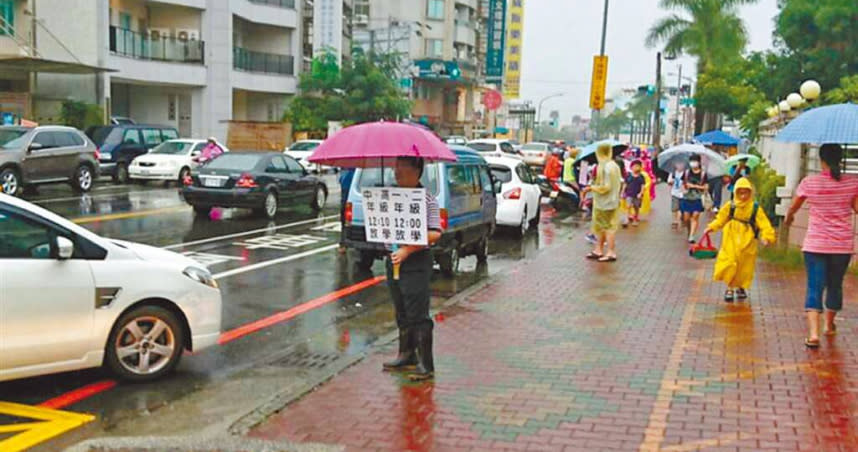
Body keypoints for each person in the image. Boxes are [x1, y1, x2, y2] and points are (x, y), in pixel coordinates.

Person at [784, 144, 858, 349]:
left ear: (821, 160)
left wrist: (789, 218)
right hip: (842, 246)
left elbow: (795, 205)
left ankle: (814, 334)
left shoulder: (810, 182)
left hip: (815, 244)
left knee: (814, 286)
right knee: (835, 285)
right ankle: (828, 324)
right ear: (841, 159)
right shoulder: (852, 183)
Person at [382, 157, 443, 380]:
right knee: (401, 311)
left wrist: (408, 249)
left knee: (418, 313)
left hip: (416, 262)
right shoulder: (389, 196)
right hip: (394, 259)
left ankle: (426, 364)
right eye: (395, 166)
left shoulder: (426, 200)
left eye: (402, 166)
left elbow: (435, 232)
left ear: (417, 171)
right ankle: (406, 354)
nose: (396, 171)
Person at [702, 178, 776, 302]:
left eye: (745, 192)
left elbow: (764, 223)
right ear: (735, 192)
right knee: (730, 261)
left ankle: (741, 286)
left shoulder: (755, 208)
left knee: (744, 265)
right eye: (740, 192)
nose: (742, 196)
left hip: (747, 240)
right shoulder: (730, 206)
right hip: (730, 237)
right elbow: (721, 219)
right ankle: (730, 287)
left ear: (750, 193)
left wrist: (767, 237)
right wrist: (711, 228)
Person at [583, 144, 622, 262]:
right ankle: (598, 249)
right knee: (602, 227)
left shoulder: (605, 167)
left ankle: (610, 252)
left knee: (607, 228)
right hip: (612, 201)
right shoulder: (613, 165)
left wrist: (591, 188)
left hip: (604, 203)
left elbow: (606, 187)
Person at [681, 154, 708, 243]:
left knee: (695, 217)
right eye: (691, 161)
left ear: (699, 162)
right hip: (687, 197)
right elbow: (682, 184)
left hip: (697, 197)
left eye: (695, 161)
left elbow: (706, 187)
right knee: (686, 218)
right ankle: (689, 230)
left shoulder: (703, 174)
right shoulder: (687, 172)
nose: (693, 163)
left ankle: (692, 236)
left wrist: (695, 186)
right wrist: (685, 187)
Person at [337, 168, 356, 254]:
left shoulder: (344, 170)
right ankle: (344, 243)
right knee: (346, 220)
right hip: (349, 196)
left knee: (346, 221)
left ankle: (343, 243)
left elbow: (341, 181)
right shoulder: (350, 171)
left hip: (348, 196)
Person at [623, 160, 646, 227]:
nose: (636, 167)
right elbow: (625, 184)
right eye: (635, 166)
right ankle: (626, 219)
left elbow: (643, 186)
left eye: (638, 166)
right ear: (631, 167)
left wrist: (640, 193)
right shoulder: (628, 175)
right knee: (628, 206)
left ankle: (635, 218)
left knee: (636, 207)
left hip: (637, 195)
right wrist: (622, 192)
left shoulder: (641, 177)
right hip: (629, 194)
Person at [667, 162, 686, 229]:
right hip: (674, 193)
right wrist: (671, 182)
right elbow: (669, 182)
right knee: (674, 208)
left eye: (681, 164)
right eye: (678, 164)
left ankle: (683, 217)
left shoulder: (686, 173)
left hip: (683, 194)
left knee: (682, 208)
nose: (680, 165)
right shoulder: (673, 173)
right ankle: (675, 221)